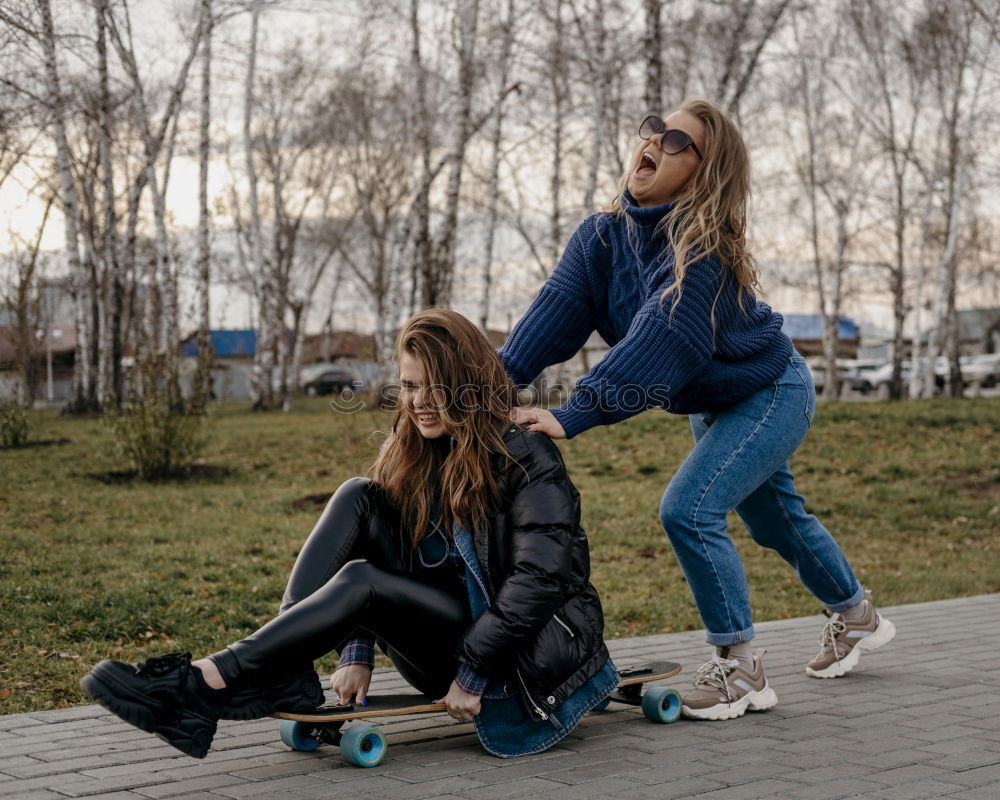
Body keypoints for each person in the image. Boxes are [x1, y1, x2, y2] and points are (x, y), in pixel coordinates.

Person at [497, 97, 895, 722]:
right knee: (776, 523)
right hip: (714, 403)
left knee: (689, 509)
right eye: (653, 129)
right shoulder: (600, 236)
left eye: (678, 140)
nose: (654, 141)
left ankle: (741, 670)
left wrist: (573, 413)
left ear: (706, 171)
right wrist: (489, 386)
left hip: (770, 391)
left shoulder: (702, 251)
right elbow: (556, 312)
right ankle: (856, 616)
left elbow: (665, 340)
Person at [79, 308, 618, 759]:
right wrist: (355, 648)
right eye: (408, 387)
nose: (419, 403)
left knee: (362, 579)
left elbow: (539, 579)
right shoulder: (421, 446)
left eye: (435, 387)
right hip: (447, 634)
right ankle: (281, 673)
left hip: (511, 659)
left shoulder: (525, 452)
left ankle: (206, 681)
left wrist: (475, 672)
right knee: (359, 493)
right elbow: (386, 548)